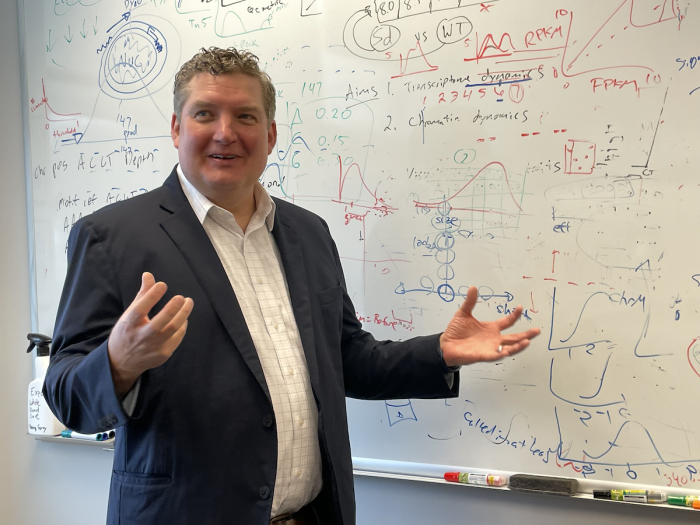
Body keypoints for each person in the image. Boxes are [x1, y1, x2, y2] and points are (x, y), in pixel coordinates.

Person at [44, 47, 540, 525]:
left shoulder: (308, 233)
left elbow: (347, 359)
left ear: (270, 133)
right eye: (204, 114)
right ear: (176, 128)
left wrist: (441, 353)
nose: (225, 133)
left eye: (245, 116)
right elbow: (65, 395)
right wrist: (117, 364)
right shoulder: (110, 237)